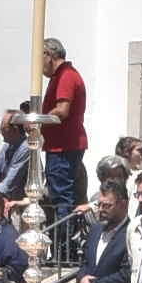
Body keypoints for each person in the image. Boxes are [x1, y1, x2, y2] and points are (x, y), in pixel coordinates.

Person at [36, 37, 89, 222]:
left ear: (49, 55)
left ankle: (65, 246)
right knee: (61, 195)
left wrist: (38, 122)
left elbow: (62, 111)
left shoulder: (66, 76)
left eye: (39, 57)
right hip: (61, 146)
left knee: (61, 198)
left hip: (63, 147)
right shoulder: (61, 76)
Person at [75, 184, 132, 283]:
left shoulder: (132, 233)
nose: (100, 210)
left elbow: (127, 274)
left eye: (106, 206)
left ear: (123, 205)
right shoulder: (95, 230)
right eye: (99, 205)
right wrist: (82, 279)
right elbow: (86, 264)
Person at [0, 111, 35, 206]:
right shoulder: (7, 146)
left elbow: (9, 182)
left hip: (24, 205)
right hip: (10, 202)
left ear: (15, 129)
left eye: (3, 129)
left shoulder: (27, 148)